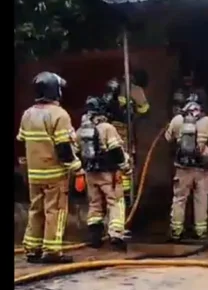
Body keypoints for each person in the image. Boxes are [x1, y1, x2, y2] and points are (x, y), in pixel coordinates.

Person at [17, 72, 82, 264]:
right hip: (54, 174)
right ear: (55, 90)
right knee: (55, 210)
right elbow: (63, 147)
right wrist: (77, 168)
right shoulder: (59, 115)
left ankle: (32, 249)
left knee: (35, 209)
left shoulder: (27, 114)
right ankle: (52, 251)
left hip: (34, 174)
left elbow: (23, 140)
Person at [75, 96, 132, 252]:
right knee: (116, 202)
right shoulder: (107, 128)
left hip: (90, 173)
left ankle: (95, 237)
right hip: (109, 173)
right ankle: (116, 236)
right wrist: (125, 166)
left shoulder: (81, 131)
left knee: (95, 203)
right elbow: (115, 150)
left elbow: (75, 152)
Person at [164, 100, 208, 241]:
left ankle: (176, 231)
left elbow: (167, 138)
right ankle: (201, 231)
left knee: (179, 199)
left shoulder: (177, 119)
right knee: (201, 198)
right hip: (202, 167)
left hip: (182, 166)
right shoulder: (207, 120)